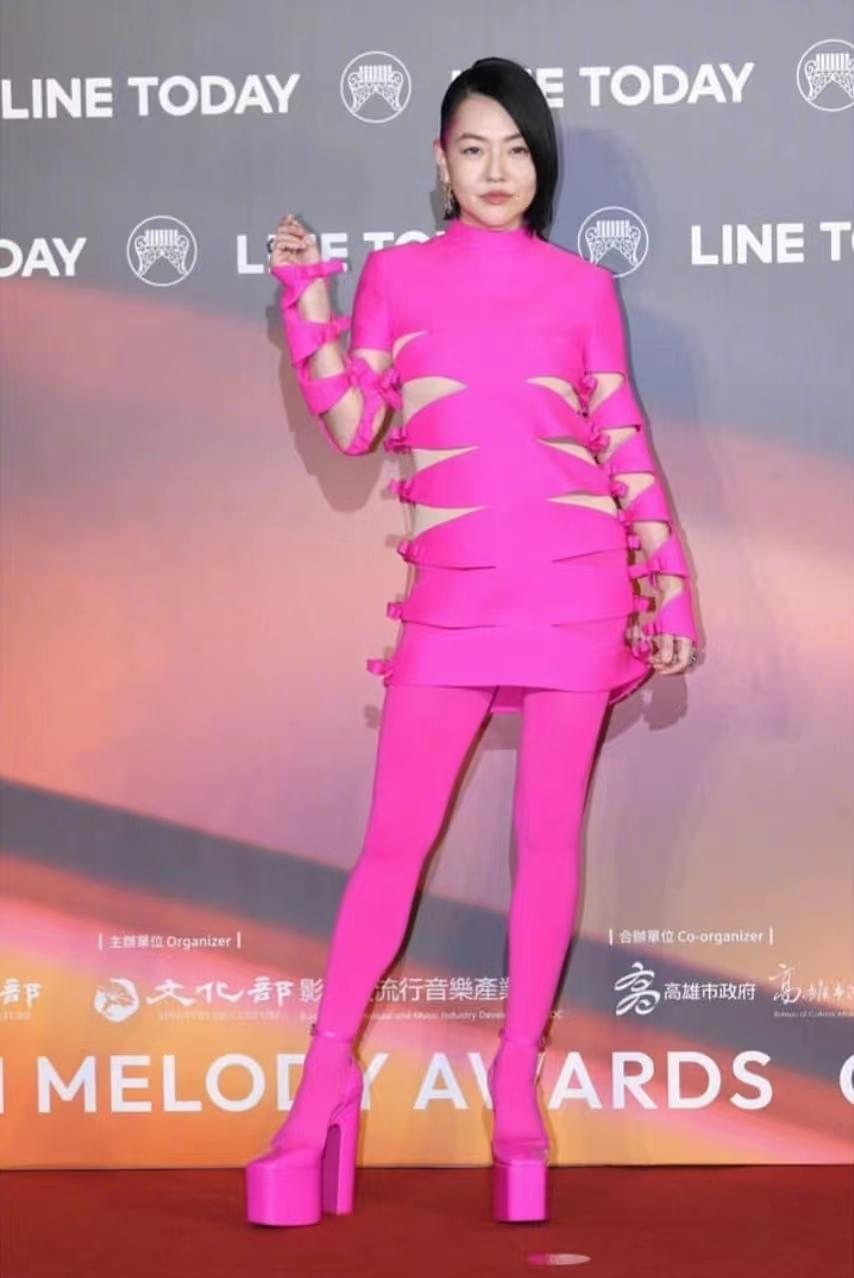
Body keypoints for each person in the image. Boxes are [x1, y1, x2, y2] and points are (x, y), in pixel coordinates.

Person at [246, 55, 700, 1229]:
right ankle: (320, 1086)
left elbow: (620, 440)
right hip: (451, 598)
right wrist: (306, 299)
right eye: (472, 148)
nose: (496, 170)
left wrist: (667, 591)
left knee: (547, 843)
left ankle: (513, 1091)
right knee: (389, 850)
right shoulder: (396, 278)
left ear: (537, 164)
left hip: (577, 591)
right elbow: (356, 425)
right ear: (439, 163)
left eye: (515, 149)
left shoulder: (581, 289)